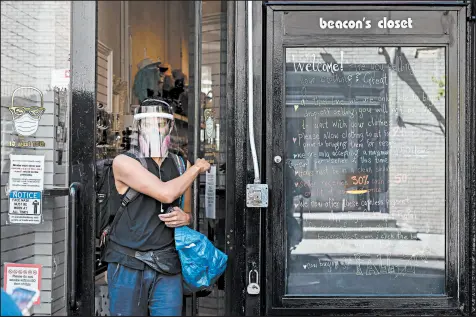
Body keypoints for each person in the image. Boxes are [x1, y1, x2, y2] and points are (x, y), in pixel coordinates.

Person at [104, 98, 210, 316]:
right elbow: (166, 192)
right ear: (139, 127)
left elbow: (186, 209)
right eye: (148, 123)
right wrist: (197, 168)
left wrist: (186, 218)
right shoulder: (124, 162)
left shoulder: (180, 164)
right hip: (128, 263)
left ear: (169, 126)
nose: (154, 129)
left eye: (160, 123)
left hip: (167, 263)